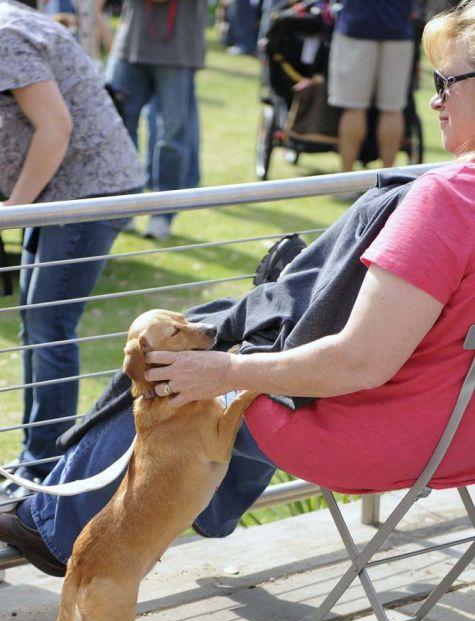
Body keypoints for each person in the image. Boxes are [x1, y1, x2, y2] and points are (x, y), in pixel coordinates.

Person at [1, 0, 474, 577]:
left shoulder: (447, 199)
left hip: (384, 435)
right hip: (460, 436)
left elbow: (359, 365)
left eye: (444, 82)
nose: (433, 100)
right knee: (233, 332)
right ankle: (203, 506)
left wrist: (223, 371)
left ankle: (53, 528)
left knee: (184, 364)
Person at [0, 0, 145, 493]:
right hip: (60, 193)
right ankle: (33, 463)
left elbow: (55, 124)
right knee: (35, 321)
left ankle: (41, 471)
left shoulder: (4, 33)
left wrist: (13, 211)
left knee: (48, 323)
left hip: (89, 190)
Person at [105, 0, 207, 240]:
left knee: (172, 135)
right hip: (131, 43)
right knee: (117, 126)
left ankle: (163, 213)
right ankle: (123, 207)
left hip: (179, 48)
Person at [328, 0, 415, 171]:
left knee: (353, 108)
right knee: (392, 109)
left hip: (356, 25)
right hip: (397, 27)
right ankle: (389, 177)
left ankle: (345, 178)